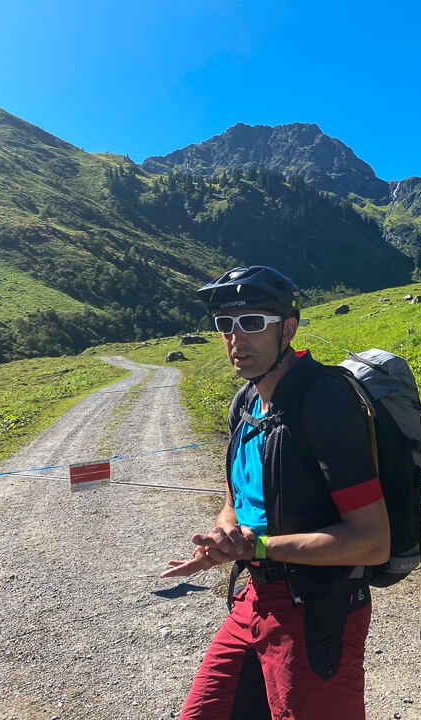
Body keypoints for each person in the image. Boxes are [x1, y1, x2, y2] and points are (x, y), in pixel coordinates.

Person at [161, 265, 390, 720]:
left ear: (287, 328)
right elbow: (234, 503)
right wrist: (225, 540)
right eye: (225, 325)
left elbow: (372, 541)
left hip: (319, 609)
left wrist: (258, 545)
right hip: (255, 599)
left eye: (251, 323)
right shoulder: (245, 403)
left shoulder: (324, 403)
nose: (235, 339)